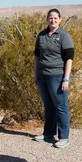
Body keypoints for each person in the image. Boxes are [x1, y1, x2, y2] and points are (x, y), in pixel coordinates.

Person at [33, 8, 74, 148]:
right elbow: (37, 57)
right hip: (42, 76)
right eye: (50, 18)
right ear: (47, 19)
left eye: (56, 18)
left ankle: (64, 138)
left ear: (60, 19)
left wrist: (66, 79)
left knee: (61, 106)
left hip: (57, 76)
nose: (53, 20)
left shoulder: (64, 36)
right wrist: (36, 75)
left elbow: (69, 59)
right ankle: (48, 135)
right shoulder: (41, 35)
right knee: (49, 106)